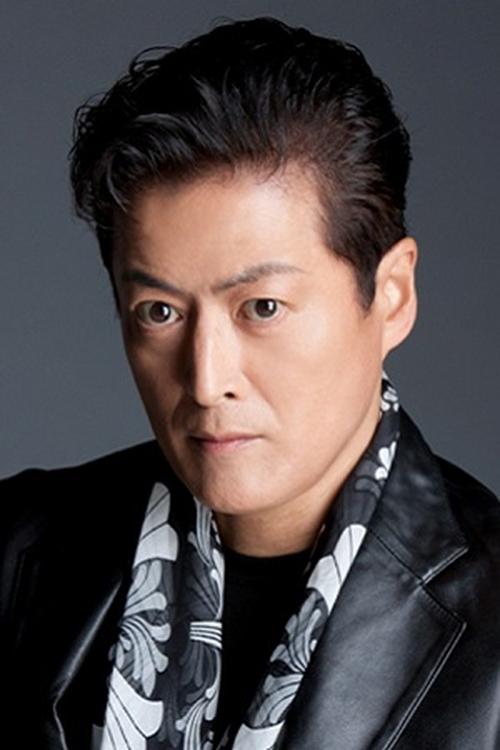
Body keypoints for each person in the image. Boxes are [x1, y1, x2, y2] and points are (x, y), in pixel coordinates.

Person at [1, 16, 499, 750]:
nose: (206, 380)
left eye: (261, 307)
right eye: (161, 312)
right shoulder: (16, 547)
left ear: (391, 296)